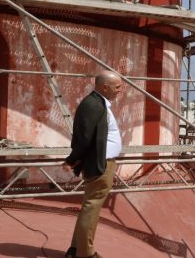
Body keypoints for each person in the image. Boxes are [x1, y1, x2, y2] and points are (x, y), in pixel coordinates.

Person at [62, 70, 124, 258]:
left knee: (90, 207)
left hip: (102, 162)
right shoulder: (93, 105)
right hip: (100, 164)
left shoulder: (100, 103)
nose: (120, 90)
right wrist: (72, 160)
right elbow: (84, 138)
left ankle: (75, 250)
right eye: (118, 86)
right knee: (92, 207)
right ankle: (86, 253)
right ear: (104, 87)